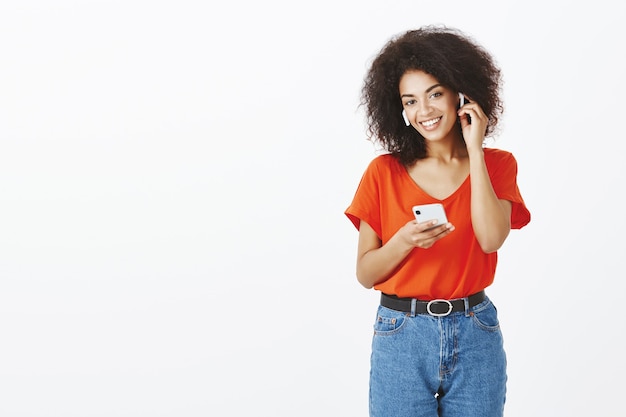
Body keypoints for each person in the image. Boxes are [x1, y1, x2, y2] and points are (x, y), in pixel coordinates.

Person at [344, 25, 531, 417]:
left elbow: (491, 238)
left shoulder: (498, 164)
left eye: (434, 94)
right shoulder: (383, 172)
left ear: (460, 93)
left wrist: (475, 150)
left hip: (476, 332)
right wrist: (405, 241)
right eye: (410, 101)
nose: (424, 111)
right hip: (401, 334)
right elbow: (365, 272)